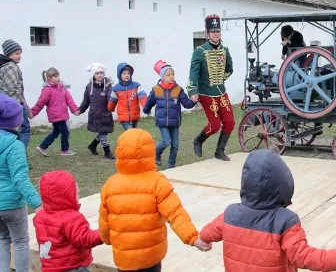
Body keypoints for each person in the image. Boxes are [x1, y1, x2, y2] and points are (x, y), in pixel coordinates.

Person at [199, 149, 336, 271]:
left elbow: (207, 233)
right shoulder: (286, 221)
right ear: (284, 183)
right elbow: (303, 256)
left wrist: (203, 241)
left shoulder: (229, 214)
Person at [98, 128, 210, 272]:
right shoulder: (158, 182)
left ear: (120, 151)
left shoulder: (110, 184)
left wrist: (107, 238)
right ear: (150, 152)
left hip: (124, 258)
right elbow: (175, 213)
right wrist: (193, 238)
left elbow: (104, 219)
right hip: (151, 258)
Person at [0, 93, 42, 271]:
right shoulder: (15, 145)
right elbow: (19, 179)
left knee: (2, 240)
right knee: (20, 241)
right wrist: (38, 203)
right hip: (13, 205)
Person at [33, 170, 103, 272]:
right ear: (65, 197)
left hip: (50, 267)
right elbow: (85, 239)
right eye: (76, 194)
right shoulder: (72, 218)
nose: (78, 197)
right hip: (73, 267)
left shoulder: (40, 217)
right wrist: (105, 233)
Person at [188, 14, 235, 161]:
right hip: (206, 94)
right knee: (214, 126)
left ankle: (219, 151)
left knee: (230, 122)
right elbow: (193, 74)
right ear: (207, 33)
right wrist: (193, 91)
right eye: (213, 32)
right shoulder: (199, 51)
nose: (216, 34)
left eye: (218, 31)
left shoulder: (225, 50)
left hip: (221, 93)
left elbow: (229, 69)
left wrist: (221, 79)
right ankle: (198, 140)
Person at [143, 60, 196, 169]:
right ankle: (156, 154)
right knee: (166, 141)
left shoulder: (178, 89)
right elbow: (149, 103)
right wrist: (146, 110)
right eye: (168, 75)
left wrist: (193, 101)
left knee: (175, 145)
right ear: (163, 77)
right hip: (162, 121)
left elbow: (186, 103)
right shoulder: (156, 89)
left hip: (175, 121)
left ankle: (171, 165)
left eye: (172, 74)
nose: (171, 77)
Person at [31, 68, 80, 156]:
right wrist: (33, 112)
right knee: (65, 131)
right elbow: (40, 102)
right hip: (56, 115)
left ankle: (43, 146)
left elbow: (69, 100)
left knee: (56, 132)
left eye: (58, 76)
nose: (58, 78)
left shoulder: (62, 88)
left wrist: (75, 110)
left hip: (62, 114)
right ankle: (64, 150)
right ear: (49, 78)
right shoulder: (47, 90)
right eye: (55, 76)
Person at [78, 62, 115, 160]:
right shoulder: (89, 87)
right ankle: (107, 151)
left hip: (105, 114)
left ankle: (93, 145)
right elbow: (86, 101)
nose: (100, 75)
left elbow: (110, 97)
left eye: (101, 73)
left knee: (104, 132)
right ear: (94, 75)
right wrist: (80, 110)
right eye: (97, 73)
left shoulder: (108, 85)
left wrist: (112, 103)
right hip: (95, 114)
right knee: (103, 133)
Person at [0, 40, 32, 149]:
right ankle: (19, 154)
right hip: (14, 105)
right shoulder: (11, 67)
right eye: (17, 53)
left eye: (20, 53)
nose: (20, 56)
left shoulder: (3, 66)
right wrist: (22, 107)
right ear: (9, 54)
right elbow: (12, 90)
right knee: (24, 130)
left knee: (7, 132)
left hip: (7, 105)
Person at [107, 62, 147, 130]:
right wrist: (109, 109)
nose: (127, 75)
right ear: (120, 75)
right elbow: (112, 101)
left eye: (128, 73)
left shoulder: (136, 86)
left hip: (134, 115)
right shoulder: (116, 88)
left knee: (133, 133)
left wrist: (146, 107)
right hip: (123, 117)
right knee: (131, 132)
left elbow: (142, 97)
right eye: (124, 73)